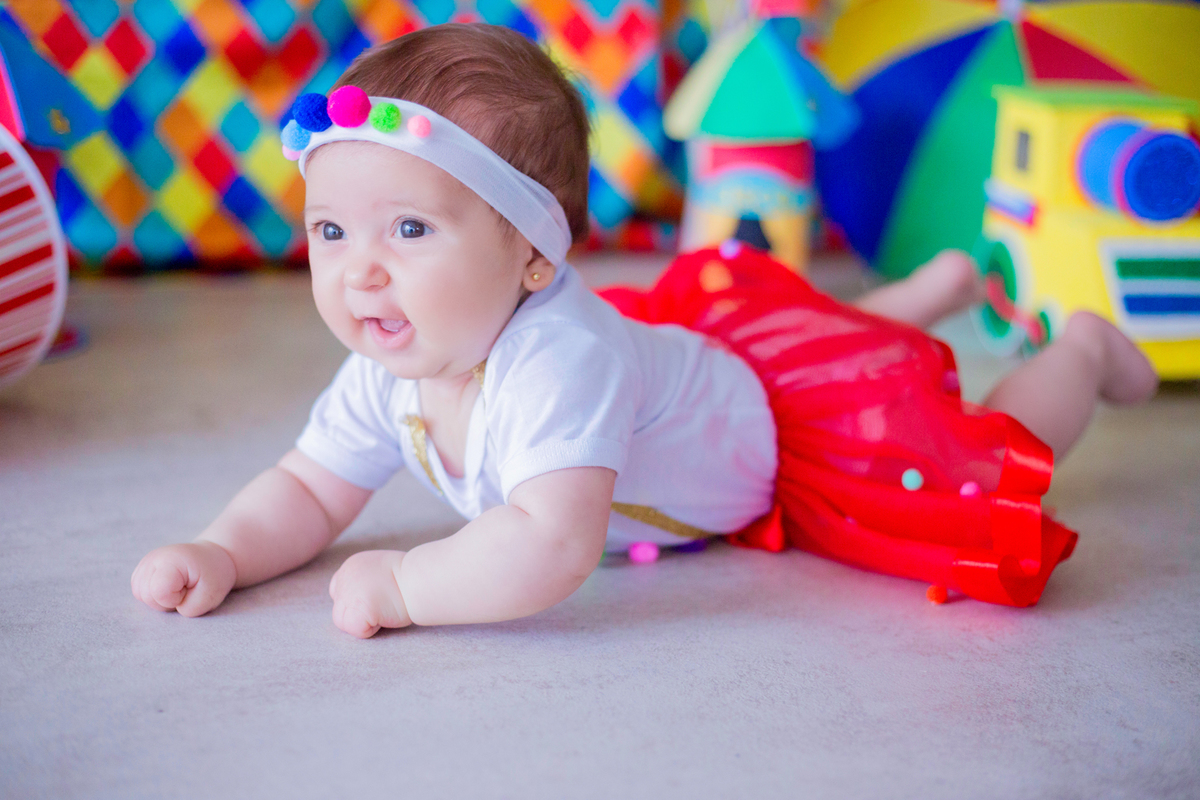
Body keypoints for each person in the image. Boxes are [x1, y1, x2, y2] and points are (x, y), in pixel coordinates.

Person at [131, 24, 1158, 636]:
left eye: (409, 228)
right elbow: (311, 485)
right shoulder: (393, 356)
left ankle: (1077, 348)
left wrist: (406, 583)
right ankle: (930, 290)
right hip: (705, 360)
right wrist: (225, 547)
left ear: (535, 257)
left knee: (968, 455)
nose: (360, 266)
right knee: (807, 332)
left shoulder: (558, 358)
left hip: (786, 442)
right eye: (330, 228)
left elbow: (549, 541)